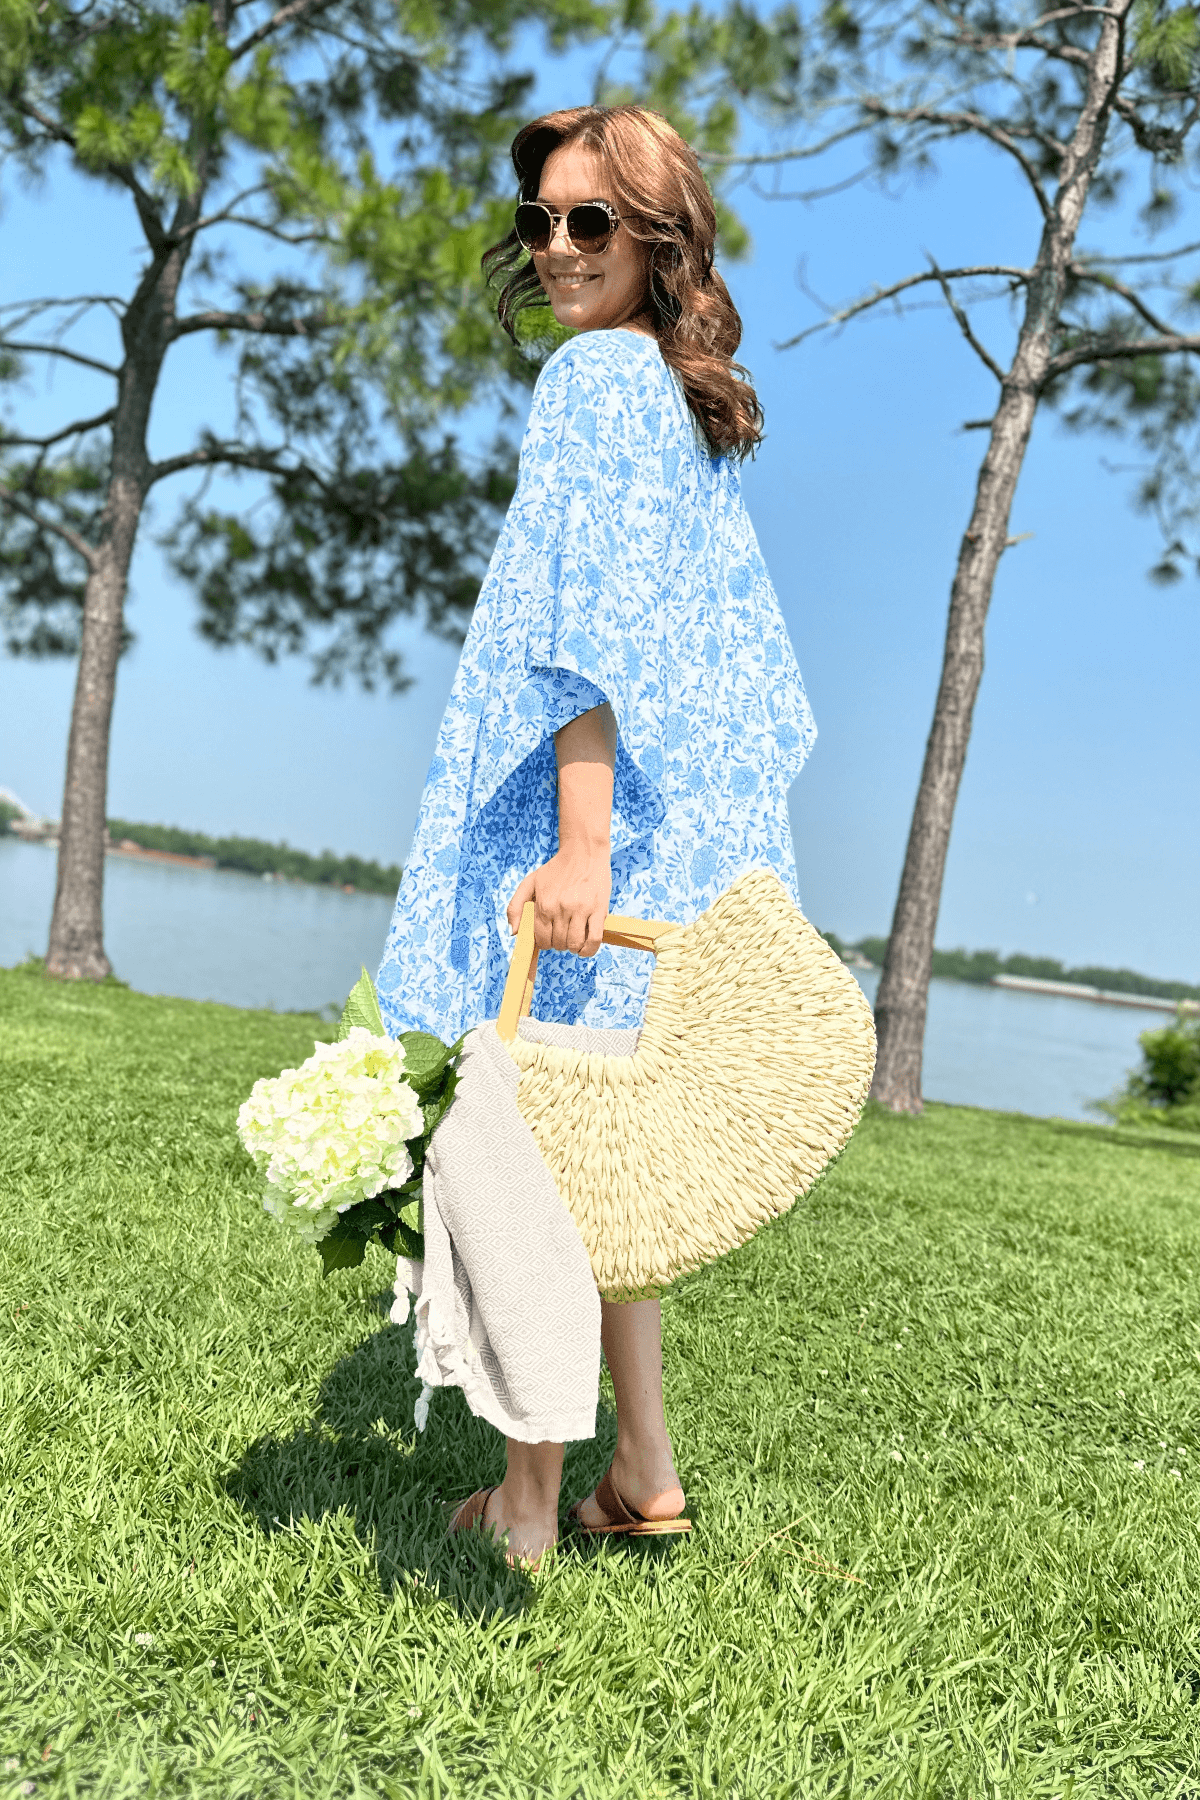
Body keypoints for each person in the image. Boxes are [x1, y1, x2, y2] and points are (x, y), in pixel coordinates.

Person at [376, 103, 815, 1567]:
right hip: (666, 815)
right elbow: (737, 660)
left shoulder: (596, 382)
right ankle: (643, 1467)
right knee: (601, 1147)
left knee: (533, 1146)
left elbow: (596, 634)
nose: (559, 248)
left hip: (595, 817)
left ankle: (525, 1499)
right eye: (541, 221)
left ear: (658, 239)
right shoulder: (685, 404)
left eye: (592, 222)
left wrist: (581, 845)